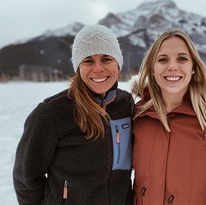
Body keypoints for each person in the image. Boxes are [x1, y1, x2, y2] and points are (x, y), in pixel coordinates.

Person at [13, 24, 134, 205]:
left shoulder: (126, 104)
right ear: (78, 67)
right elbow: (26, 178)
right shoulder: (50, 113)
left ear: (118, 64)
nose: (98, 68)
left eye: (106, 59)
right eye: (88, 61)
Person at [131, 29, 206, 205]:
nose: (172, 67)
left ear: (193, 68)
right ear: (152, 69)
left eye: (182, 59)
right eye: (162, 60)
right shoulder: (137, 114)